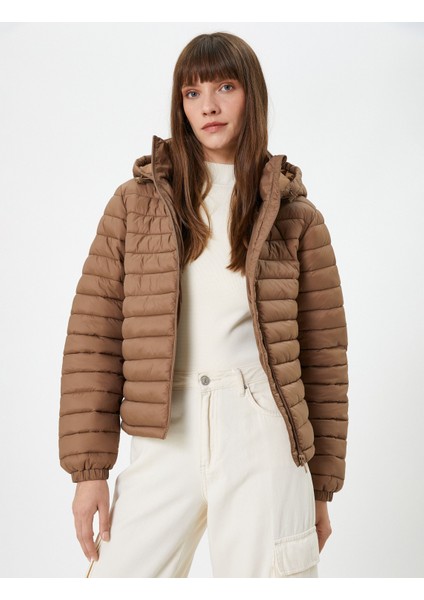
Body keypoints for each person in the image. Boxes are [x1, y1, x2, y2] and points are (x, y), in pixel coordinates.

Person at [58, 31, 349, 578]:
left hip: (263, 430)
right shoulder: (135, 204)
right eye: (192, 93)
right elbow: (93, 336)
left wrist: (320, 488)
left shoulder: (295, 216)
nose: (209, 106)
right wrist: (89, 471)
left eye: (225, 87)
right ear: (181, 105)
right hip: (164, 428)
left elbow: (324, 359)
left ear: (252, 95)